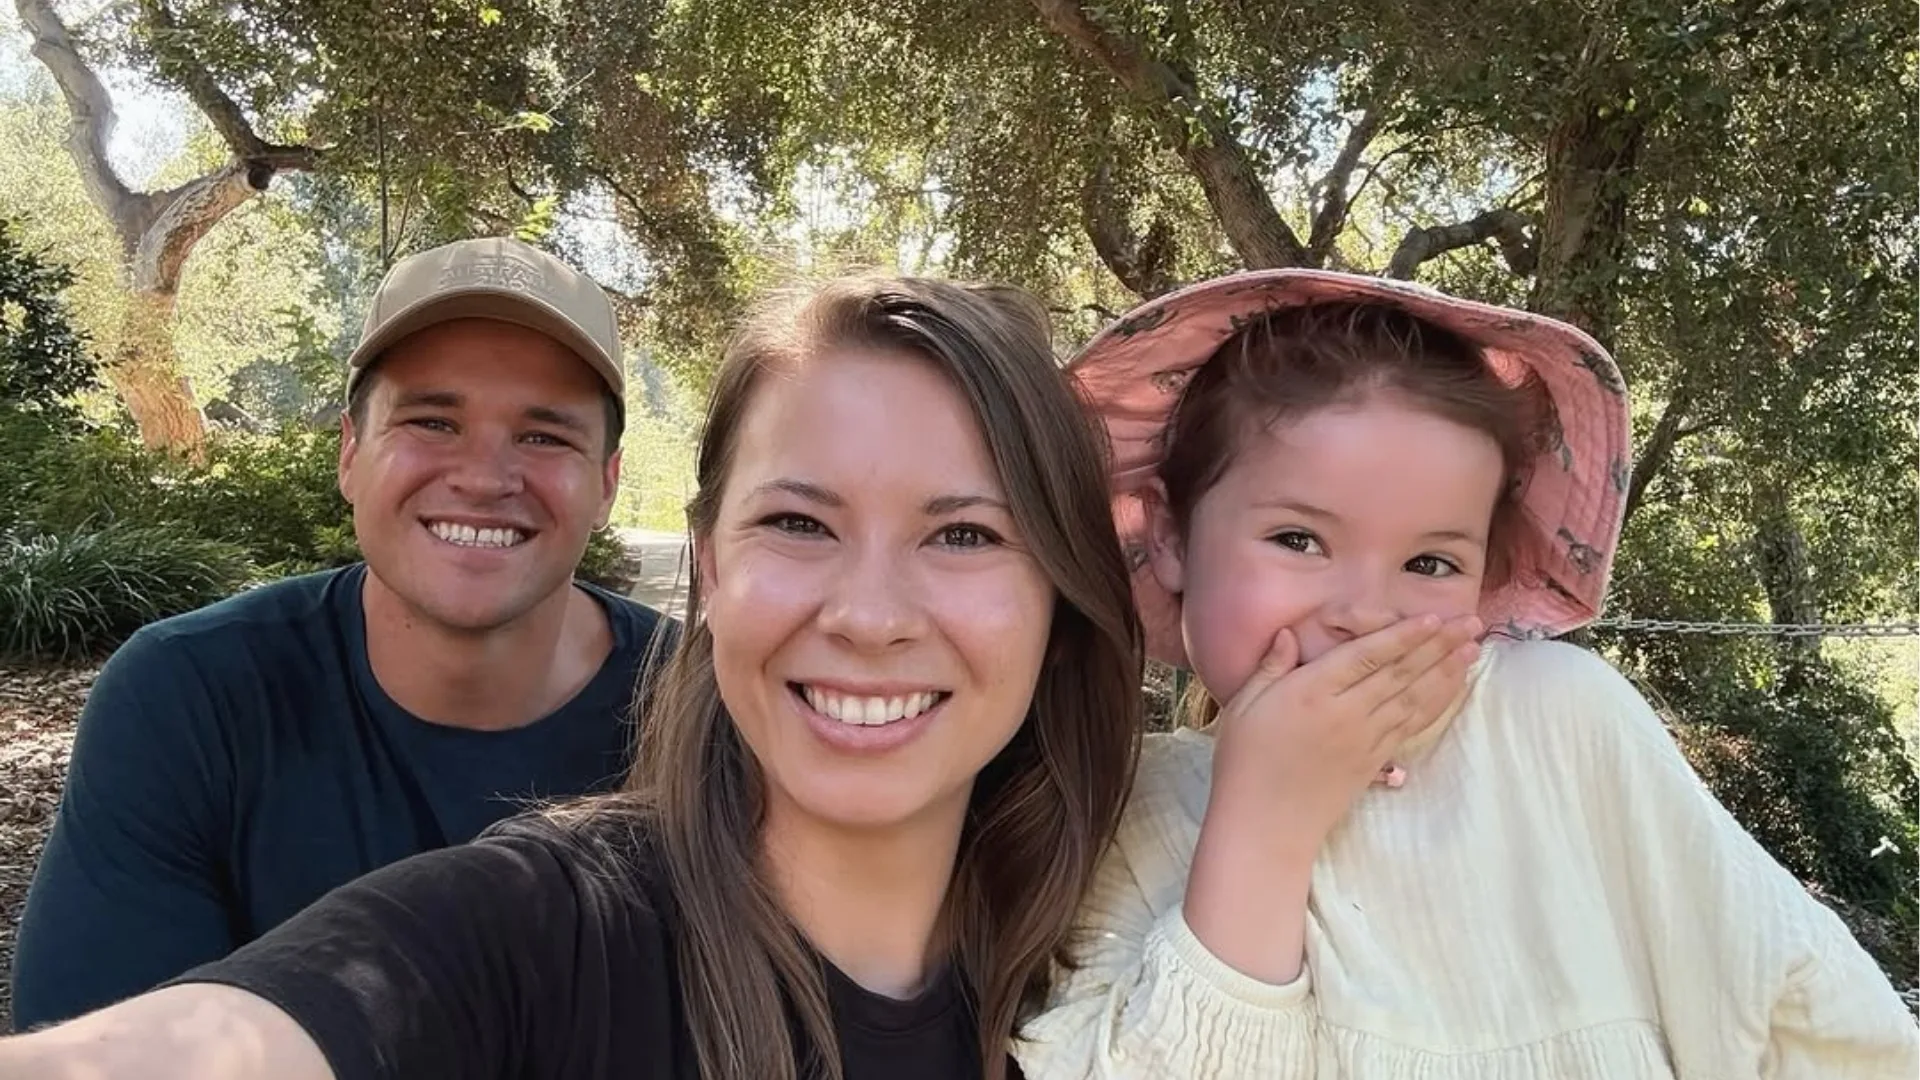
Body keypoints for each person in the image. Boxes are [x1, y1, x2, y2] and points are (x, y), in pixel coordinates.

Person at [0, 274, 1148, 1080]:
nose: (867, 616)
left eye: (963, 535)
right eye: (799, 520)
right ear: (710, 564)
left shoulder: (1125, 923)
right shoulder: (538, 923)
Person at [1014, 270, 1920, 1078]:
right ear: (1171, 536)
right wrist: (1262, 830)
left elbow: (1806, 1015)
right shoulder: (1130, 810)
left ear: (1486, 577)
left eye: (1431, 564)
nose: (1366, 612)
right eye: (1298, 539)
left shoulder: (1558, 724)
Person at [10, 237, 676, 1030]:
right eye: (432, 420)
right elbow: (101, 1046)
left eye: (544, 436)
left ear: (605, 484)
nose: (484, 477)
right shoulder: (194, 696)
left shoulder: (708, 706)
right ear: (351, 457)